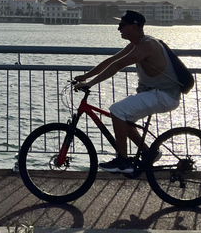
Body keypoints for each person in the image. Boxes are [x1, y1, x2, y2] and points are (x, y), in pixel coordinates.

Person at [74, 10, 182, 173]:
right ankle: (148, 153)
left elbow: (118, 66)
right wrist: (86, 76)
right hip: (156, 93)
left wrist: (90, 83)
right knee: (124, 119)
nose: (119, 28)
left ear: (134, 26)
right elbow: (112, 61)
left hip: (164, 95)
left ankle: (123, 162)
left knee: (117, 111)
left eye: (122, 25)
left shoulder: (148, 45)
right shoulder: (137, 44)